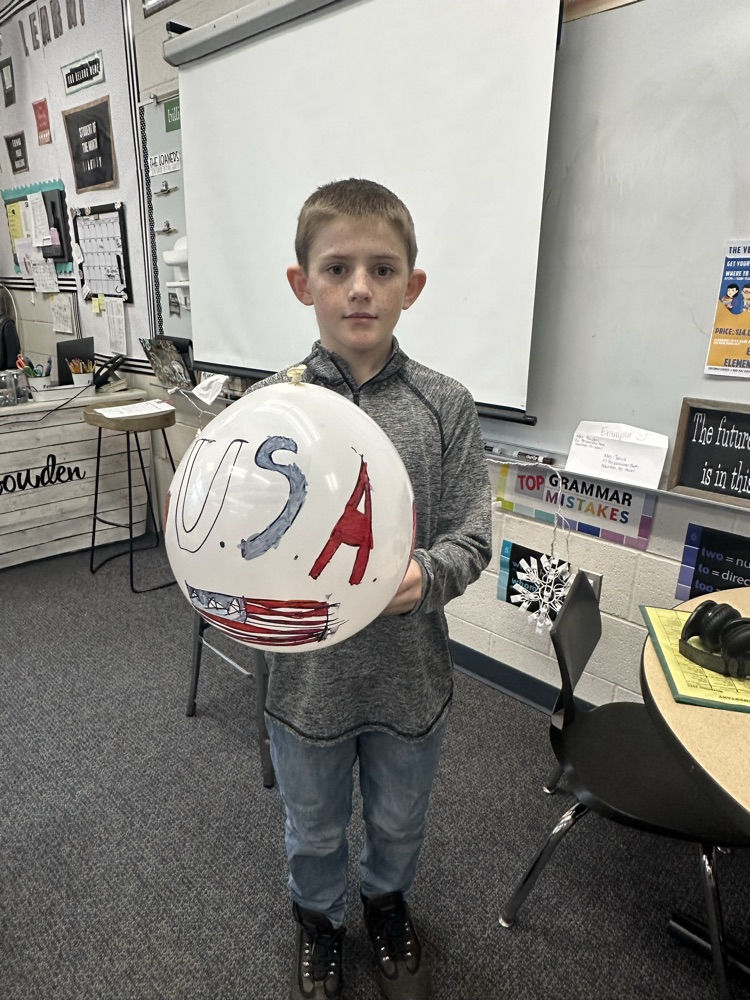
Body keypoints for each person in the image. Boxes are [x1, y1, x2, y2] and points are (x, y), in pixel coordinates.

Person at [251, 178, 492, 1000]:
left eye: (383, 269)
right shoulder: (272, 408)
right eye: (338, 268)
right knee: (312, 827)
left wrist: (429, 575)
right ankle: (317, 923)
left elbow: (473, 535)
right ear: (302, 283)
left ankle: (387, 907)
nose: (360, 287)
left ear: (411, 288)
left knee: (397, 818)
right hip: (307, 686)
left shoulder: (446, 406)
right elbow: (238, 538)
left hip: (408, 675)